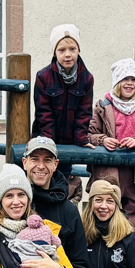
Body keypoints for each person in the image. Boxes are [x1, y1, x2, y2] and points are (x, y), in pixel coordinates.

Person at [87, 59, 135, 234]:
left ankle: (132, 247)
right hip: (109, 171)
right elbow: (89, 134)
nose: (129, 84)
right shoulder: (103, 107)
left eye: (133, 80)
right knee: (106, 212)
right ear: (117, 82)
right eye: (125, 79)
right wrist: (103, 140)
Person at [33, 24, 94, 181]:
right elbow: (43, 112)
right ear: (54, 52)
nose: (68, 55)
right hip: (45, 139)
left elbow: (84, 112)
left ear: (78, 50)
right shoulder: (43, 77)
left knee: (62, 180)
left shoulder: (86, 79)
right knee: (42, 178)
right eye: (62, 50)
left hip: (68, 142)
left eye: (72, 49)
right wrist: (47, 142)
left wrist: (81, 139)